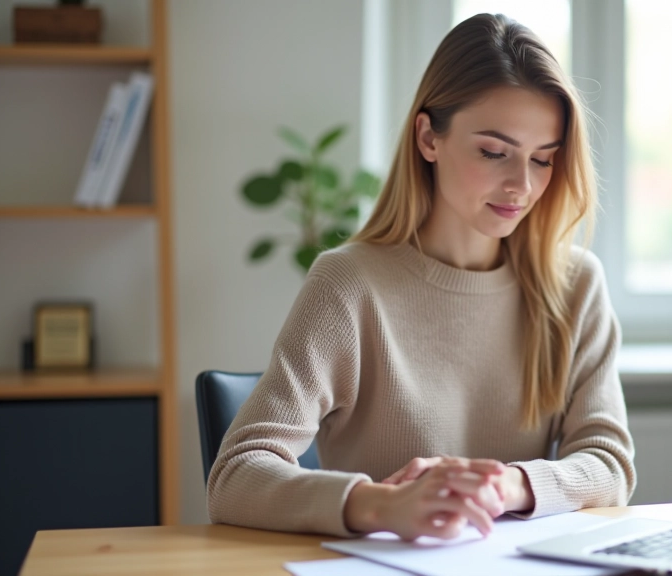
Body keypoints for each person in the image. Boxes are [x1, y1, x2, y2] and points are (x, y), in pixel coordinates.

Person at [207, 13, 636, 542]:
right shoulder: (349, 284)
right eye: (494, 153)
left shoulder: (575, 285)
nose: (521, 185)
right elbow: (235, 475)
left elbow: (609, 465)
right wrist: (381, 505)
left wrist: (502, 486)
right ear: (428, 138)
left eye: (544, 160)